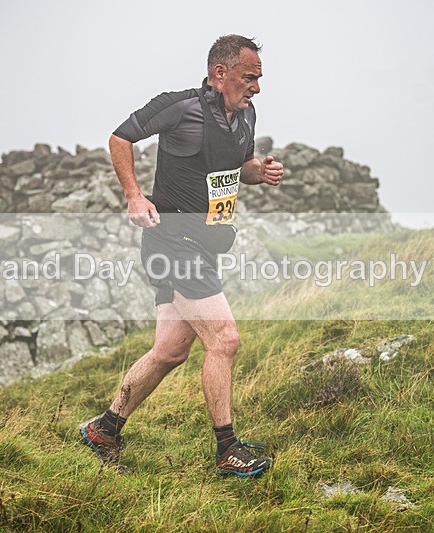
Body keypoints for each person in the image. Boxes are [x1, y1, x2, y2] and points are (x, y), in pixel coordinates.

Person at [80, 35, 284, 477]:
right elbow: (120, 138)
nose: (257, 87)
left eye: (259, 79)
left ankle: (105, 428)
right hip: (170, 242)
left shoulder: (245, 115)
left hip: (205, 245)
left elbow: (236, 169)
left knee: (170, 351)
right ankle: (228, 450)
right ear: (220, 73)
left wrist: (259, 173)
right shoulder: (180, 106)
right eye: (250, 78)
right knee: (224, 339)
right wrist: (134, 197)